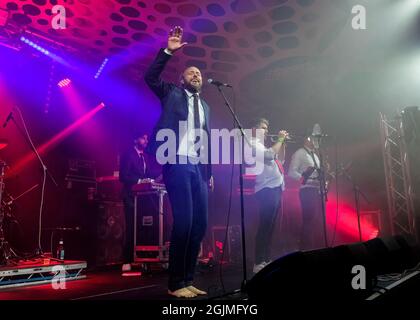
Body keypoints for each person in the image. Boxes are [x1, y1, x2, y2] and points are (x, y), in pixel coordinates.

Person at [144, 26, 213, 298]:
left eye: (199, 73)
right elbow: (150, 77)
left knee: (200, 225)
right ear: (182, 80)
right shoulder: (171, 93)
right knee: (183, 222)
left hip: (197, 166)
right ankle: (175, 284)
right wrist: (168, 52)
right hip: (177, 161)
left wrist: (208, 172)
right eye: (191, 73)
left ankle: (188, 278)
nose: (196, 75)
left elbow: (206, 141)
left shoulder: (206, 106)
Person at [247, 118, 288, 273]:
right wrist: (279, 139)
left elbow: (281, 160)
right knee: (265, 226)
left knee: (270, 227)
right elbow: (270, 155)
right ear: (254, 129)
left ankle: (265, 259)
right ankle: (258, 262)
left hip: (275, 188)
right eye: (263, 128)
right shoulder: (252, 143)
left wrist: (283, 144)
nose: (266, 130)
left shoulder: (263, 145)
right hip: (266, 190)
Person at [119, 133, 161, 273]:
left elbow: (150, 172)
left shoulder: (146, 157)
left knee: (144, 226)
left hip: (144, 197)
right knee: (131, 226)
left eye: (147, 138)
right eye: (143, 138)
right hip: (131, 196)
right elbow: (123, 176)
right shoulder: (128, 155)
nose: (146, 141)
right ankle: (126, 260)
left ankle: (144, 256)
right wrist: (139, 181)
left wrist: (164, 171)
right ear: (135, 139)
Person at [288, 135, 325, 251]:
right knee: (308, 221)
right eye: (313, 139)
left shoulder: (315, 155)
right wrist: (305, 179)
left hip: (316, 191)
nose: (316, 141)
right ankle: (306, 249)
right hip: (307, 191)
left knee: (316, 221)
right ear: (306, 139)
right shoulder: (299, 153)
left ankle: (314, 248)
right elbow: (291, 173)